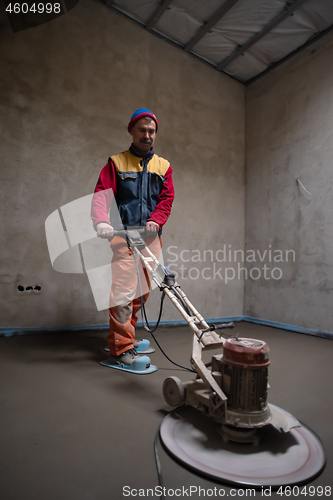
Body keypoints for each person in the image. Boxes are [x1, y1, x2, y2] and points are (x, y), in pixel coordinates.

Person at [91, 108, 174, 366]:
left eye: (151, 131)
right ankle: (121, 348)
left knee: (142, 292)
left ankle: (127, 335)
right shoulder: (116, 163)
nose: (147, 135)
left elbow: (166, 199)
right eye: (142, 130)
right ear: (131, 131)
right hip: (123, 235)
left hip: (150, 238)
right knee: (124, 292)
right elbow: (101, 195)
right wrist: (102, 221)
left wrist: (155, 220)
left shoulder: (164, 166)